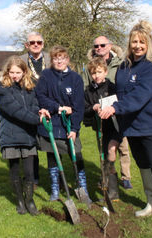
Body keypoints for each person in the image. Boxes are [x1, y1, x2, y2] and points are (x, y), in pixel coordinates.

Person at [99, 20, 152, 231]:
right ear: (129, 43)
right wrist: (107, 106)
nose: (137, 46)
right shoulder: (124, 66)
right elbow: (121, 93)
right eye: (134, 41)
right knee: (143, 165)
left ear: (148, 44)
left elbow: (139, 97)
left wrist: (115, 107)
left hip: (151, 126)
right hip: (132, 126)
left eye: (141, 42)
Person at [35, 45, 90, 202]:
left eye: (62, 58)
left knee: (76, 155)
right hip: (51, 125)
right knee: (52, 157)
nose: (59, 61)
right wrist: (57, 108)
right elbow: (40, 96)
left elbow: (78, 106)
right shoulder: (45, 76)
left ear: (68, 59)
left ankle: (83, 189)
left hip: (68, 126)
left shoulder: (76, 79)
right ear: (51, 60)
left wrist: (74, 128)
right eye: (55, 58)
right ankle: (55, 189)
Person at [0, 55, 50, 215]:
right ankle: (20, 201)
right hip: (11, 135)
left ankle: (29, 200)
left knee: (29, 172)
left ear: (24, 72)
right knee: (14, 171)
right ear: (7, 72)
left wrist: (39, 112)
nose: (15, 75)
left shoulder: (29, 87)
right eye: (12, 72)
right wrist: (37, 120)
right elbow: (16, 111)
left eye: (18, 72)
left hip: (27, 135)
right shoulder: (3, 90)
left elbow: (34, 105)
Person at [83, 35, 133, 189]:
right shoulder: (89, 66)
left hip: (117, 115)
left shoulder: (120, 62)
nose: (99, 48)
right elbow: (86, 88)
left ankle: (126, 177)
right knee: (104, 149)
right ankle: (108, 176)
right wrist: (93, 107)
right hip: (100, 117)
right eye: (96, 46)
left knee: (122, 147)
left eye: (102, 45)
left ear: (109, 46)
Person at [83, 58, 121, 200]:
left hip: (115, 126)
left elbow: (119, 103)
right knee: (104, 155)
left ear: (105, 72)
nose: (96, 75)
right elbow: (84, 109)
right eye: (93, 73)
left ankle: (111, 186)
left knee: (111, 151)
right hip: (101, 129)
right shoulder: (88, 91)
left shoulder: (112, 87)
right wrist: (93, 107)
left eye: (99, 72)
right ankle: (109, 187)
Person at [20, 32, 51, 187]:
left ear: (43, 44)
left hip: (49, 105)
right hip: (29, 105)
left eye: (39, 42)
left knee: (52, 142)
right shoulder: (21, 61)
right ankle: (33, 177)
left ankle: (55, 179)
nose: (36, 45)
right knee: (31, 143)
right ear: (27, 45)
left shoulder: (51, 59)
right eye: (32, 42)